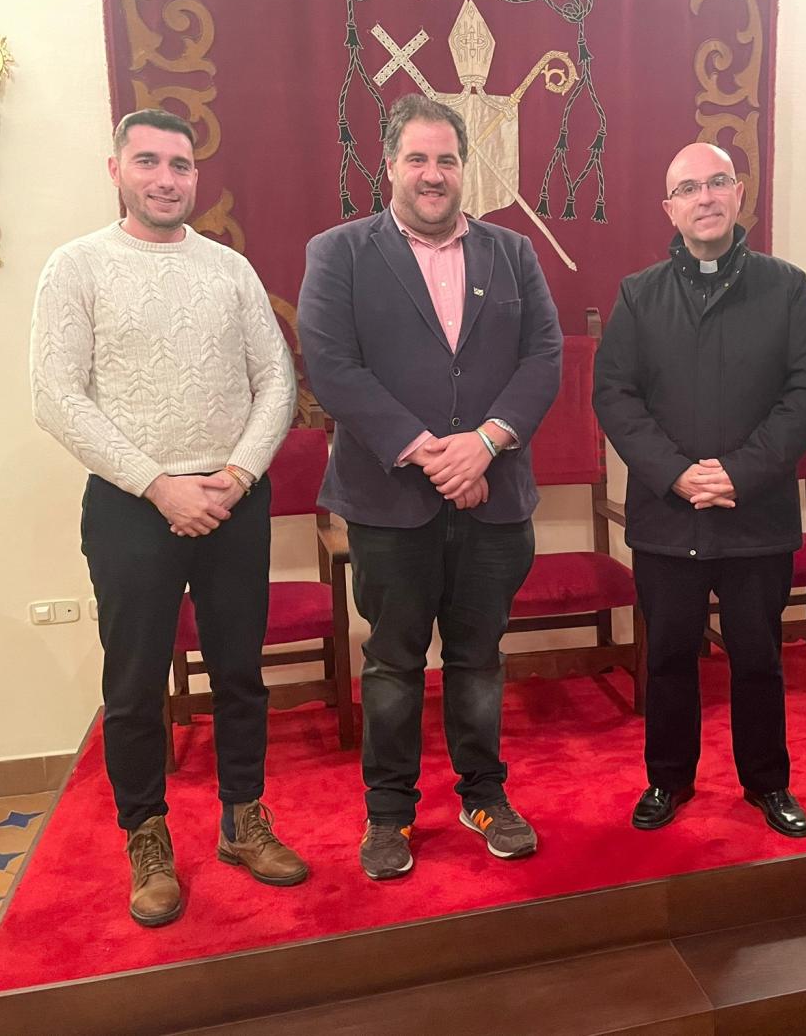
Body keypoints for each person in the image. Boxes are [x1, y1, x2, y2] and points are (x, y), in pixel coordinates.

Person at [30, 109, 306, 928]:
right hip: (130, 505)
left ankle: (244, 819)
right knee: (135, 684)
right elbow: (56, 396)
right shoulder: (76, 267)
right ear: (115, 168)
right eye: (147, 161)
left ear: (196, 176)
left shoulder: (230, 270)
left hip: (232, 499)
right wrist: (158, 485)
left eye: (180, 165)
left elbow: (277, 381)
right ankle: (146, 837)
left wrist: (237, 474)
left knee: (240, 673)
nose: (165, 178)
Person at [298, 94, 562, 880]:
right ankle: (389, 814)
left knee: (479, 660)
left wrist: (484, 444)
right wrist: (429, 453)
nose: (433, 173)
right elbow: (332, 367)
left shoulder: (513, 254)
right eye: (417, 158)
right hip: (389, 505)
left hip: (495, 496)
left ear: (464, 167)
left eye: (447, 159)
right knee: (392, 663)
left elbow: (544, 357)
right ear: (390, 165)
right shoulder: (339, 254)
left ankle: (484, 796)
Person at [593, 143, 806, 838]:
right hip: (668, 514)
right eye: (689, 188)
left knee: (759, 658)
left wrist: (742, 471)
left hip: (754, 514)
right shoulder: (639, 295)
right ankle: (668, 779)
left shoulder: (786, 287)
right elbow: (614, 395)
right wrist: (674, 471)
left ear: (738, 195)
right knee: (670, 656)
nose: (705, 197)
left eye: (718, 182)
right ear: (669, 208)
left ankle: (768, 782)